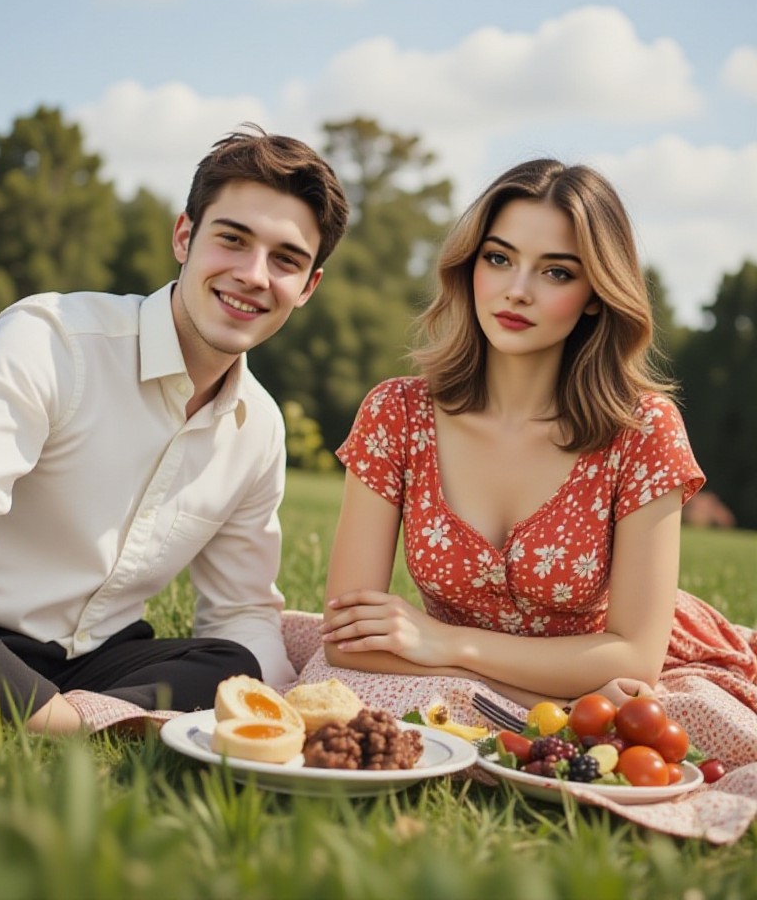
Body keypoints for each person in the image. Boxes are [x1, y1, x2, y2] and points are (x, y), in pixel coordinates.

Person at [292, 158, 757, 768]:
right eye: (499, 258)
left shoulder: (641, 430)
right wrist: (546, 697)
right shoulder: (397, 413)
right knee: (338, 693)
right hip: (555, 683)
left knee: (698, 734)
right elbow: (349, 640)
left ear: (595, 295)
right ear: (470, 266)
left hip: (637, 671)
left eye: (556, 271)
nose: (517, 289)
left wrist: (445, 643)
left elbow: (633, 661)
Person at [0, 124, 349, 735]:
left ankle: (87, 715)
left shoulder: (258, 426)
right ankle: (66, 722)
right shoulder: (50, 342)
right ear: (185, 236)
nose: (254, 275)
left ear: (308, 286)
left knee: (232, 664)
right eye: (233, 240)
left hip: (100, 658)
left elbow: (240, 612)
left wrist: (293, 716)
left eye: (285, 259)